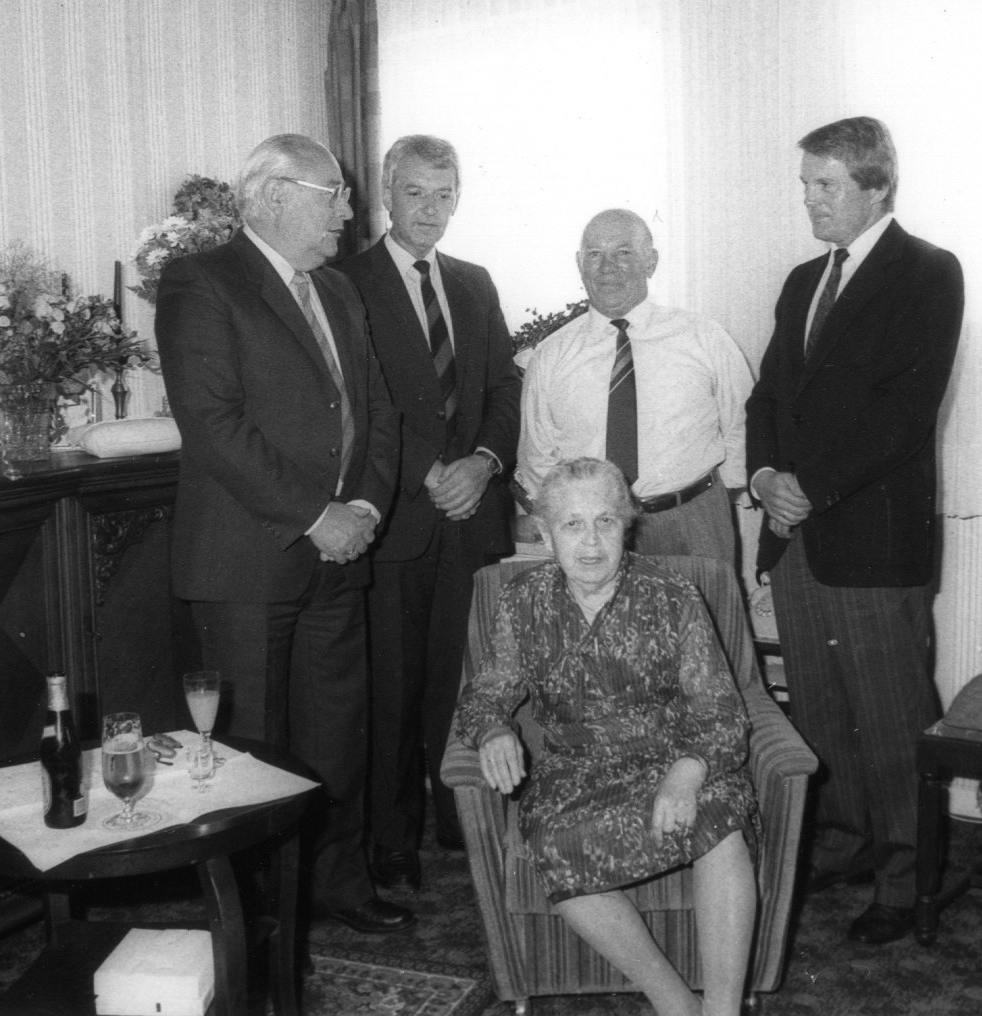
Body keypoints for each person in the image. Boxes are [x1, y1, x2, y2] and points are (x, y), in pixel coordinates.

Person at [156, 133, 414, 935]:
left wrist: (365, 510)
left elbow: (376, 412)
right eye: (331, 192)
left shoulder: (337, 291)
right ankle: (258, 916)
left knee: (338, 736)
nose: (348, 208)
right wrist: (316, 515)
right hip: (248, 565)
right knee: (252, 748)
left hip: (341, 557)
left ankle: (338, 884)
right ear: (271, 195)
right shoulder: (202, 281)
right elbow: (214, 424)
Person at [745, 116, 964, 945]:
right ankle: (842, 839)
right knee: (822, 712)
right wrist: (766, 478)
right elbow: (768, 398)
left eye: (825, 185)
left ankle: (909, 877)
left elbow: (904, 416)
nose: (809, 200)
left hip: (870, 539)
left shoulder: (928, 272)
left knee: (894, 712)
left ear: (877, 186)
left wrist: (811, 489)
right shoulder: (804, 279)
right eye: (805, 185)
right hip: (794, 534)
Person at [453, 457, 758, 1016]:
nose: (590, 542)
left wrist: (686, 775)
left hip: (674, 757)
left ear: (627, 525)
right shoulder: (523, 600)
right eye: (572, 524)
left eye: (605, 522)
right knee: (553, 843)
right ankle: (675, 1005)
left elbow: (721, 711)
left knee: (721, 822)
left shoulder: (672, 596)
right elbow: (486, 691)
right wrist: (493, 728)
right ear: (544, 533)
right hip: (577, 770)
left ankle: (723, 1010)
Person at [335, 135, 521, 890]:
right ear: (386, 192)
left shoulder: (474, 284)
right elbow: (355, 403)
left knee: (465, 680)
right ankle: (391, 840)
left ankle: (459, 821)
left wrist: (482, 464)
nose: (431, 210)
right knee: (391, 689)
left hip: (471, 516)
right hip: (396, 520)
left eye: (445, 194)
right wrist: (427, 472)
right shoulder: (346, 282)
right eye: (416, 193)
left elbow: (506, 388)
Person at [516, 210, 753, 566]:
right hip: (595, 532)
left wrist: (724, 495)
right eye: (594, 254)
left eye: (623, 252)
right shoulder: (550, 356)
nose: (607, 266)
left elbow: (741, 423)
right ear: (579, 264)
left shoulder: (704, 337)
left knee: (708, 620)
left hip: (693, 521)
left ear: (651, 261)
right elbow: (537, 455)